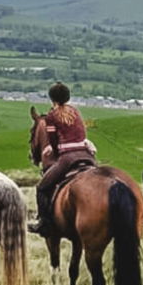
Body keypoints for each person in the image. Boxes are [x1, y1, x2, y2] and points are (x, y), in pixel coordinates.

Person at [28, 81, 96, 234]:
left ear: (52, 99)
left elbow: (52, 139)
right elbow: (82, 132)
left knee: (42, 188)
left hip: (68, 158)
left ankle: (44, 222)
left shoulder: (52, 116)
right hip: (86, 155)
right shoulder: (76, 111)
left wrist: (53, 149)